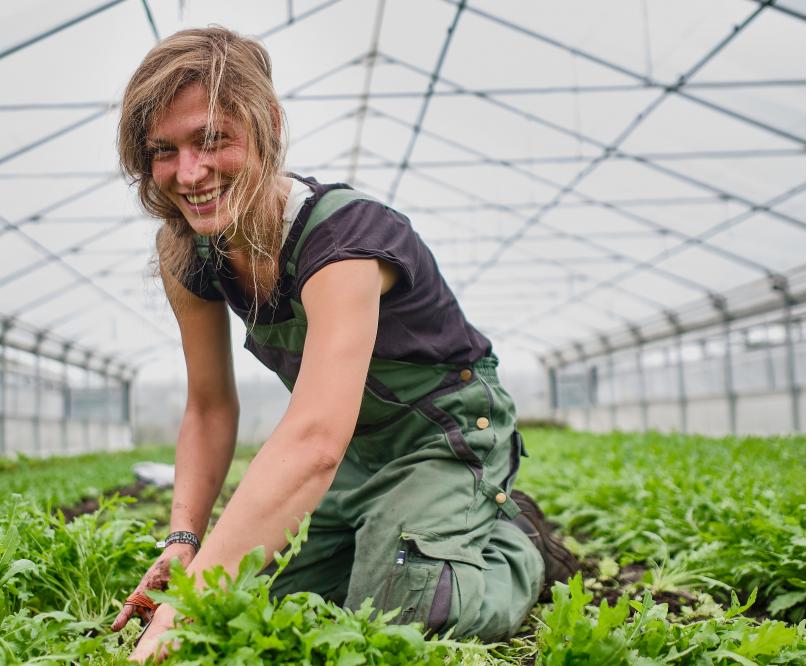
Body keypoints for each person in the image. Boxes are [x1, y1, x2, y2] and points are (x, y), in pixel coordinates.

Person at [111, 27, 577, 662]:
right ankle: (390, 527)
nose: (189, 173)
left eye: (212, 139)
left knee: (398, 614)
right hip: (357, 453)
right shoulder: (186, 249)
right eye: (163, 150)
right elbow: (210, 406)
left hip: (445, 435)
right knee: (261, 603)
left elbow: (314, 440)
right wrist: (185, 543)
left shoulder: (343, 241)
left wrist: (187, 604)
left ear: (269, 125)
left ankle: (522, 545)